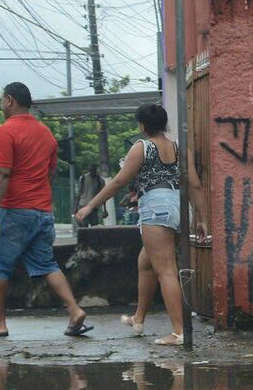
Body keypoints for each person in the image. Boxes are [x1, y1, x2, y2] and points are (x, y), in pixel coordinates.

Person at [74, 103, 208, 346]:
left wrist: (90, 206)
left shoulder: (142, 147)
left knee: (165, 269)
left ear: (142, 125)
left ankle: (179, 332)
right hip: (178, 207)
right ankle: (138, 319)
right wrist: (202, 219)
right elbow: (196, 185)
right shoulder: (179, 148)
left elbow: (117, 182)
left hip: (155, 207)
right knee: (146, 263)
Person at [0, 82, 92, 338]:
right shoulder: (46, 134)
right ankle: (74, 310)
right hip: (42, 212)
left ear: (9, 100)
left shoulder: (5, 132)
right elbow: (51, 172)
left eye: (1, 101)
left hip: (14, 209)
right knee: (47, 264)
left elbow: (2, 173)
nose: (1, 105)